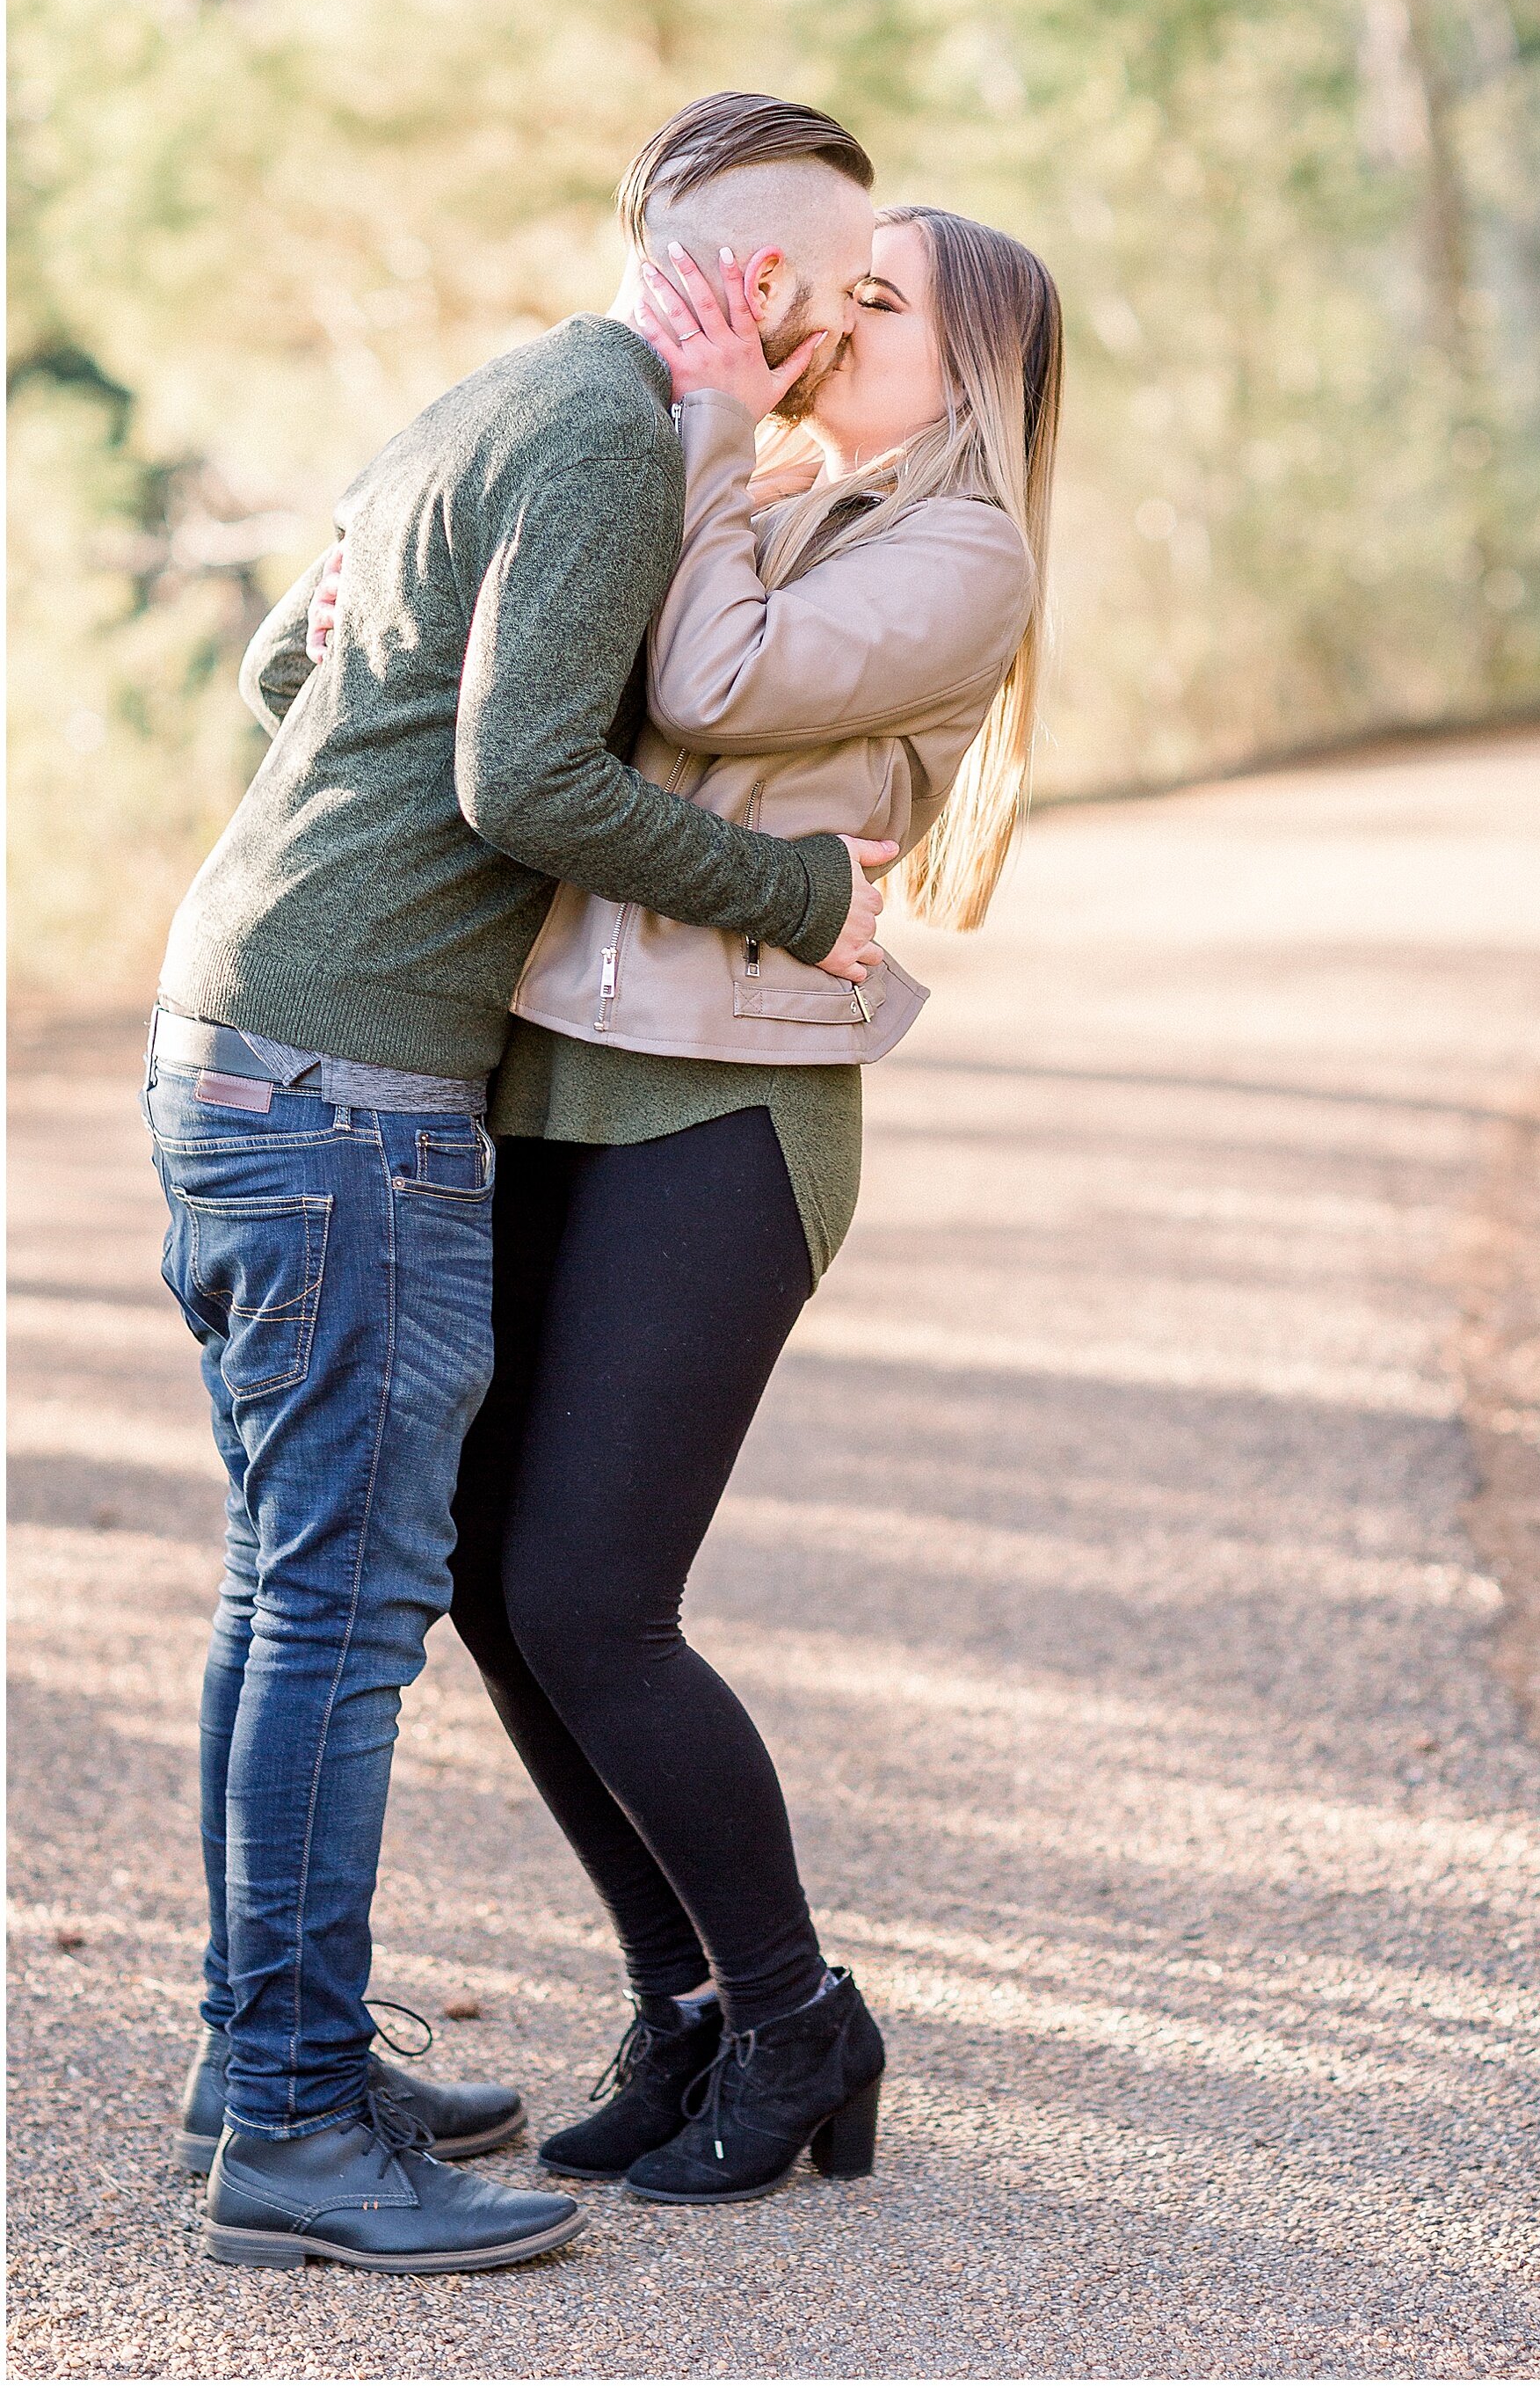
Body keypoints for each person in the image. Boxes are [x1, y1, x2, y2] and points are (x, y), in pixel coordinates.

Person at [145, 92, 897, 2273]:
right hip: (342, 1072)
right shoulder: (597, 438)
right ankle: (290, 2121)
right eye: (842, 288)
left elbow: (295, 666)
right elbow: (520, 773)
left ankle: (257, 2048)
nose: (854, 321)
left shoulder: (502, 395)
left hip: (249, 1032)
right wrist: (788, 888)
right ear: (758, 289)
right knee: (339, 1607)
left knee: (289, 1585)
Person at [321, 200, 1064, 2205]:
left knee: (591, 1595)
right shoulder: (764, 489)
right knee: (490, 1577)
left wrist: (712, 418)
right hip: (564, 1078)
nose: (831, 318)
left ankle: (799, 2010)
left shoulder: (958, 551)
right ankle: (688, 2010)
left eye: (880, 302)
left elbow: (711, 683)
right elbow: (541, 719)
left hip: (730, 1114)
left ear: (966, 366)